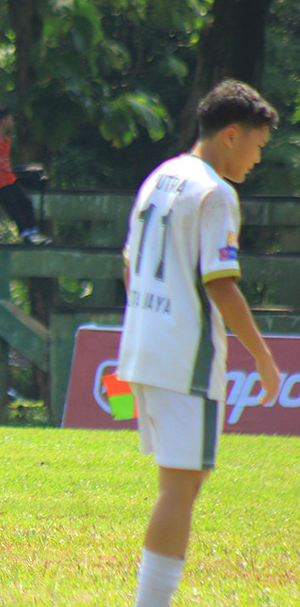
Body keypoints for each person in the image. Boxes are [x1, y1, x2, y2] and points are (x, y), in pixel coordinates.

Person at [117, 79, 281, 607]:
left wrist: (148, 318)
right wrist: (263, 357)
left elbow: (129, 263)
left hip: (143, 347)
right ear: (232, 135)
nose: (257, 158)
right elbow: (221, 284)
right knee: (181, 487)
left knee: (184, 480)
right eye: (257, 145)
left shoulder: (160, 176)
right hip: (184, 358)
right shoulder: (216, 192)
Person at [0, 105, 52, 245]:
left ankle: (33, 231)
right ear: (3, 120)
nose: (12, 123)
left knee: (26, 202)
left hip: (10, 179)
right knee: (13, 207)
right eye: (10, 119)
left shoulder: (7, 141)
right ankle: (25, 233)